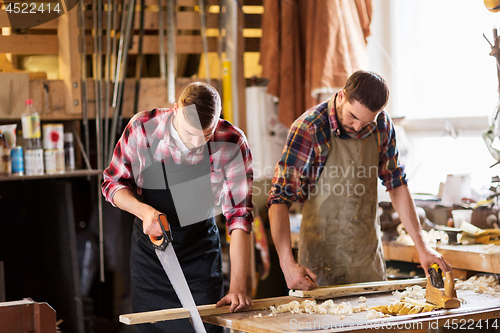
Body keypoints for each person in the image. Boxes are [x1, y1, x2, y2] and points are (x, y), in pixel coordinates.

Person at [267, 70, 452, 290]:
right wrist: (287, 263)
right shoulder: (310, 127)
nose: (357, 128)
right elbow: (279, 198)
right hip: (317, 268)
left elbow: (397, 185)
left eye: (366, 123)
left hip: (367, 264)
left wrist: (422, 246)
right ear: (342, 95)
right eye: (353, 117)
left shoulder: (382, 125)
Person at [102, 82, 254, 332]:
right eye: (189, 132)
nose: (196, 142)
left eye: (205, 134)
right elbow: (112, 183)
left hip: (199, 257)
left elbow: (239, 216)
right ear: (175, 110)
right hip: (152, 258)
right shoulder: (142, 129)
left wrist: (238, 286)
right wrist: (144, 211)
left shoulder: (231, 142)